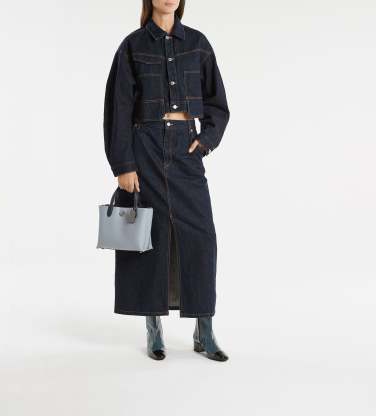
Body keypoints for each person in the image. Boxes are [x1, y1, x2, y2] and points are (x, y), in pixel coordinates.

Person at [103, 0, 230, 361]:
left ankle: (204, 329)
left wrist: (205, 140)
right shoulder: (132, 46)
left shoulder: (198, 44)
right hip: (145, 145)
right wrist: (123, 165)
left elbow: (218, 104)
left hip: (186, 148)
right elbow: (118, 109)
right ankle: (153, 326)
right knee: (151, 236)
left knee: (201, 236)